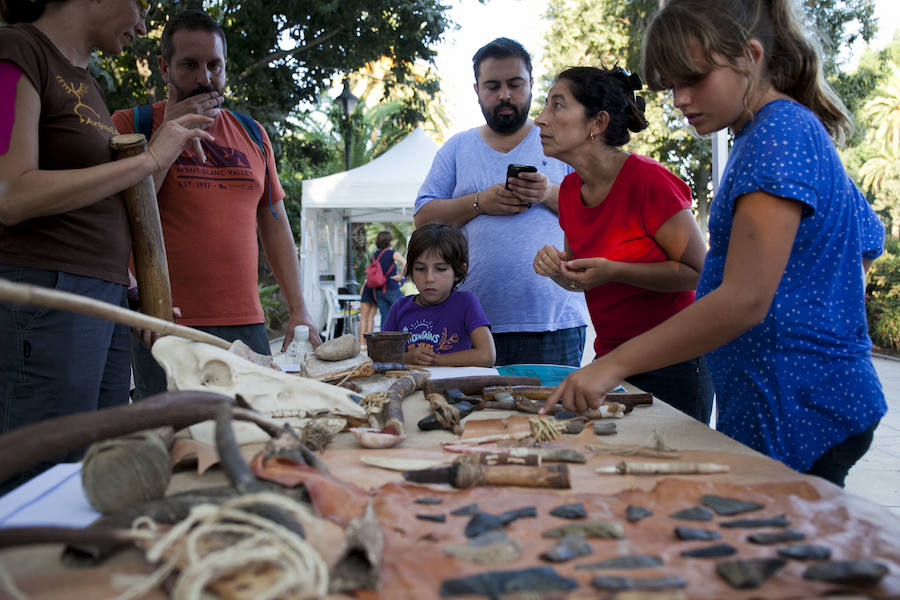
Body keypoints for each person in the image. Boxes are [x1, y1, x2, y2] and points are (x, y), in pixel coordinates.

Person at [542, 0, 886, 487]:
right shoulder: (769, 131)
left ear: (749, 56)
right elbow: (868, 239)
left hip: (801, 407)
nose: (680, 99)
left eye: (692, 80)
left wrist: (610, 367)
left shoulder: (779, 134)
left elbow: (744, 299)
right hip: (785, 399)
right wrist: (812, 293)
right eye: (672, 86)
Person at [0, 0, 213, 488]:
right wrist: (149, 159)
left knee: (95, 472)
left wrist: (124, 285)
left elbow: (93, 202)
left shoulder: (86, 82)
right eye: (140, 5)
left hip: (103, 300)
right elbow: (9, 195)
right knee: (42, 477)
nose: (142, 24)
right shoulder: (14, 51)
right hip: (47, 296)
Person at [110, 10, 321, 400]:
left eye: (214, 65)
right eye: (190, 65)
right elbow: (117, 218)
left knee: (256, 430)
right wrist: (167, 139)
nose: (204, 78)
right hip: (166, 325)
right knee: (175, 442)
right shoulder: (131, 126)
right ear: (164, 67)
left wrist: (298, 308)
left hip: (247, 325)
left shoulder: (253, 134)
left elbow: (274, 225)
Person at [533, 66, 714, 424]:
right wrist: (559, 271)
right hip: (613, 361)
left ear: (596, 123)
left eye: (557, 105)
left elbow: (699, 272)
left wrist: (615, 271)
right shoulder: (569, 190)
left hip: (675, 360)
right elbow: (583, 277)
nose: (539, 119)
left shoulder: (648, 181)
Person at [415, 37, 589, 367]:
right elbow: (423, 219)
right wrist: (480, 202)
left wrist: (549, 193)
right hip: (469, 327)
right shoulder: (456, 148)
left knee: (551, 419)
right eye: (492, 86)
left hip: (555, 323)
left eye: (515, 84)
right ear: (477, 89)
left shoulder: (563, 143)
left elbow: (597, 212)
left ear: (532, 84)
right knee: (470, 420)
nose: (504, 95)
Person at [382, 223, 495, 367]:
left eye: (440, 269)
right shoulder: (399, 308)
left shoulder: (466, 303)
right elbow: (380, 357)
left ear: (459, 270)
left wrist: (436, 360)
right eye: (420, 268)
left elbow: (487, 355)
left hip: (454, 388)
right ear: (410, 270)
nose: (429, 278)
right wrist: (406, 358)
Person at [359, 230, 406, 344]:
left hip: (378, 291)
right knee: (403, 310)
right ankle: (402, 341)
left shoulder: (375, 255)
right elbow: (405, 262)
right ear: (389, 241)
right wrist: (400, 275)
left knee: (385, 318)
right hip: (391, 288)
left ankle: (384, 343)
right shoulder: (391, 253)